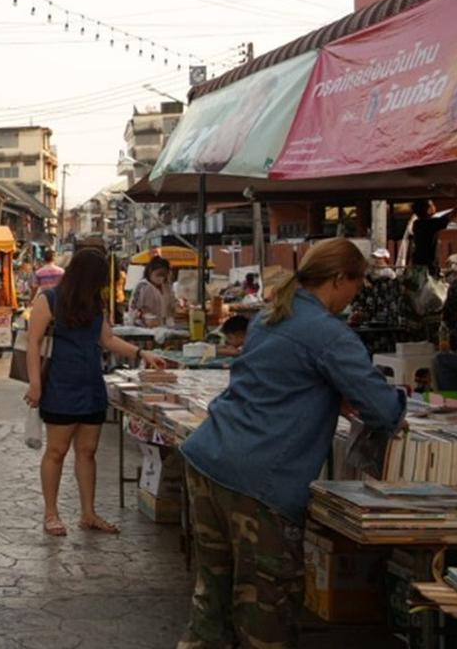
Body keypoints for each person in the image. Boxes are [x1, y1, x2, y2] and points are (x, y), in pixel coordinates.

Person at [177, 238, 407, 648]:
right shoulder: (328, 334)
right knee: (265, 611)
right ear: (339, 279)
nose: (358, 294)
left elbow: (281, 382)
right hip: (258, 479)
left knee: (211, 604)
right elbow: (384, 410)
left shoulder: (271, 316)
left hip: (211, 456)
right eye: (358, 284)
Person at [22, 248, 168, 537]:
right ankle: (51, 514)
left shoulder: (95, 303)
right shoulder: (48, 299)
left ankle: (88, 514)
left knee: (87, 452)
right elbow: (33, 342)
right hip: (60, 387)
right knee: (57, 451)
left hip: (90, 386)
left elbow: (108, 340)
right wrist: (35, 383)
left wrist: (141, 353)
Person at [409, 199, 457, 273]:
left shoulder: (418, 223)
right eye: (432, 205)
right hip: (426, 268)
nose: (434, 207)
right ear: (428, 210)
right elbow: (452, 215)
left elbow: (445, 218)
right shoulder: (429, 224)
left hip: (419, 265)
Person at [128, 256, 174, 327]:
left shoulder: (167, 287)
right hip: (143, 328)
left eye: (164, 274)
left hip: (162, 327)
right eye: (159, 274)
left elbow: (172, 304)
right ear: (150, 271)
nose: (161, 277)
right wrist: (143, 316)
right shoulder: (142, 286)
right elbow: (133, 308)